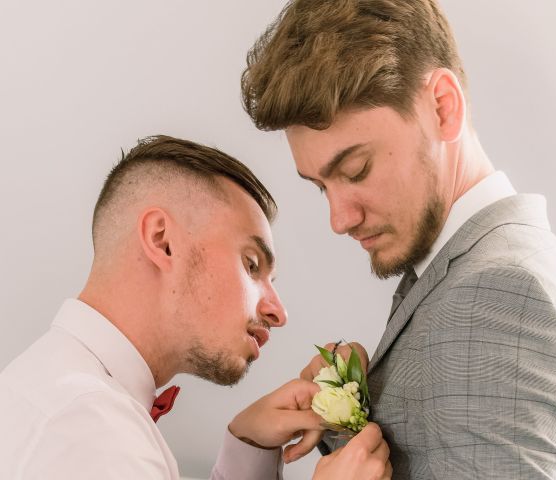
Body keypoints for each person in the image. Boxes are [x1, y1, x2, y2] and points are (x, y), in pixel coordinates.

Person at [241, 1, 556, 479]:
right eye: (321, 186)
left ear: (442, 107)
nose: (339, 219)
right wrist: (348, 421)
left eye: (356, 169)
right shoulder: (484, 269)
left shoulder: (498, 295)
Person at [0, 135, 392, 480]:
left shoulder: (66, 400)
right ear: (163, 240)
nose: (278, 311)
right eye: (252, 264)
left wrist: (248, 448)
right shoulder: (90, 431)